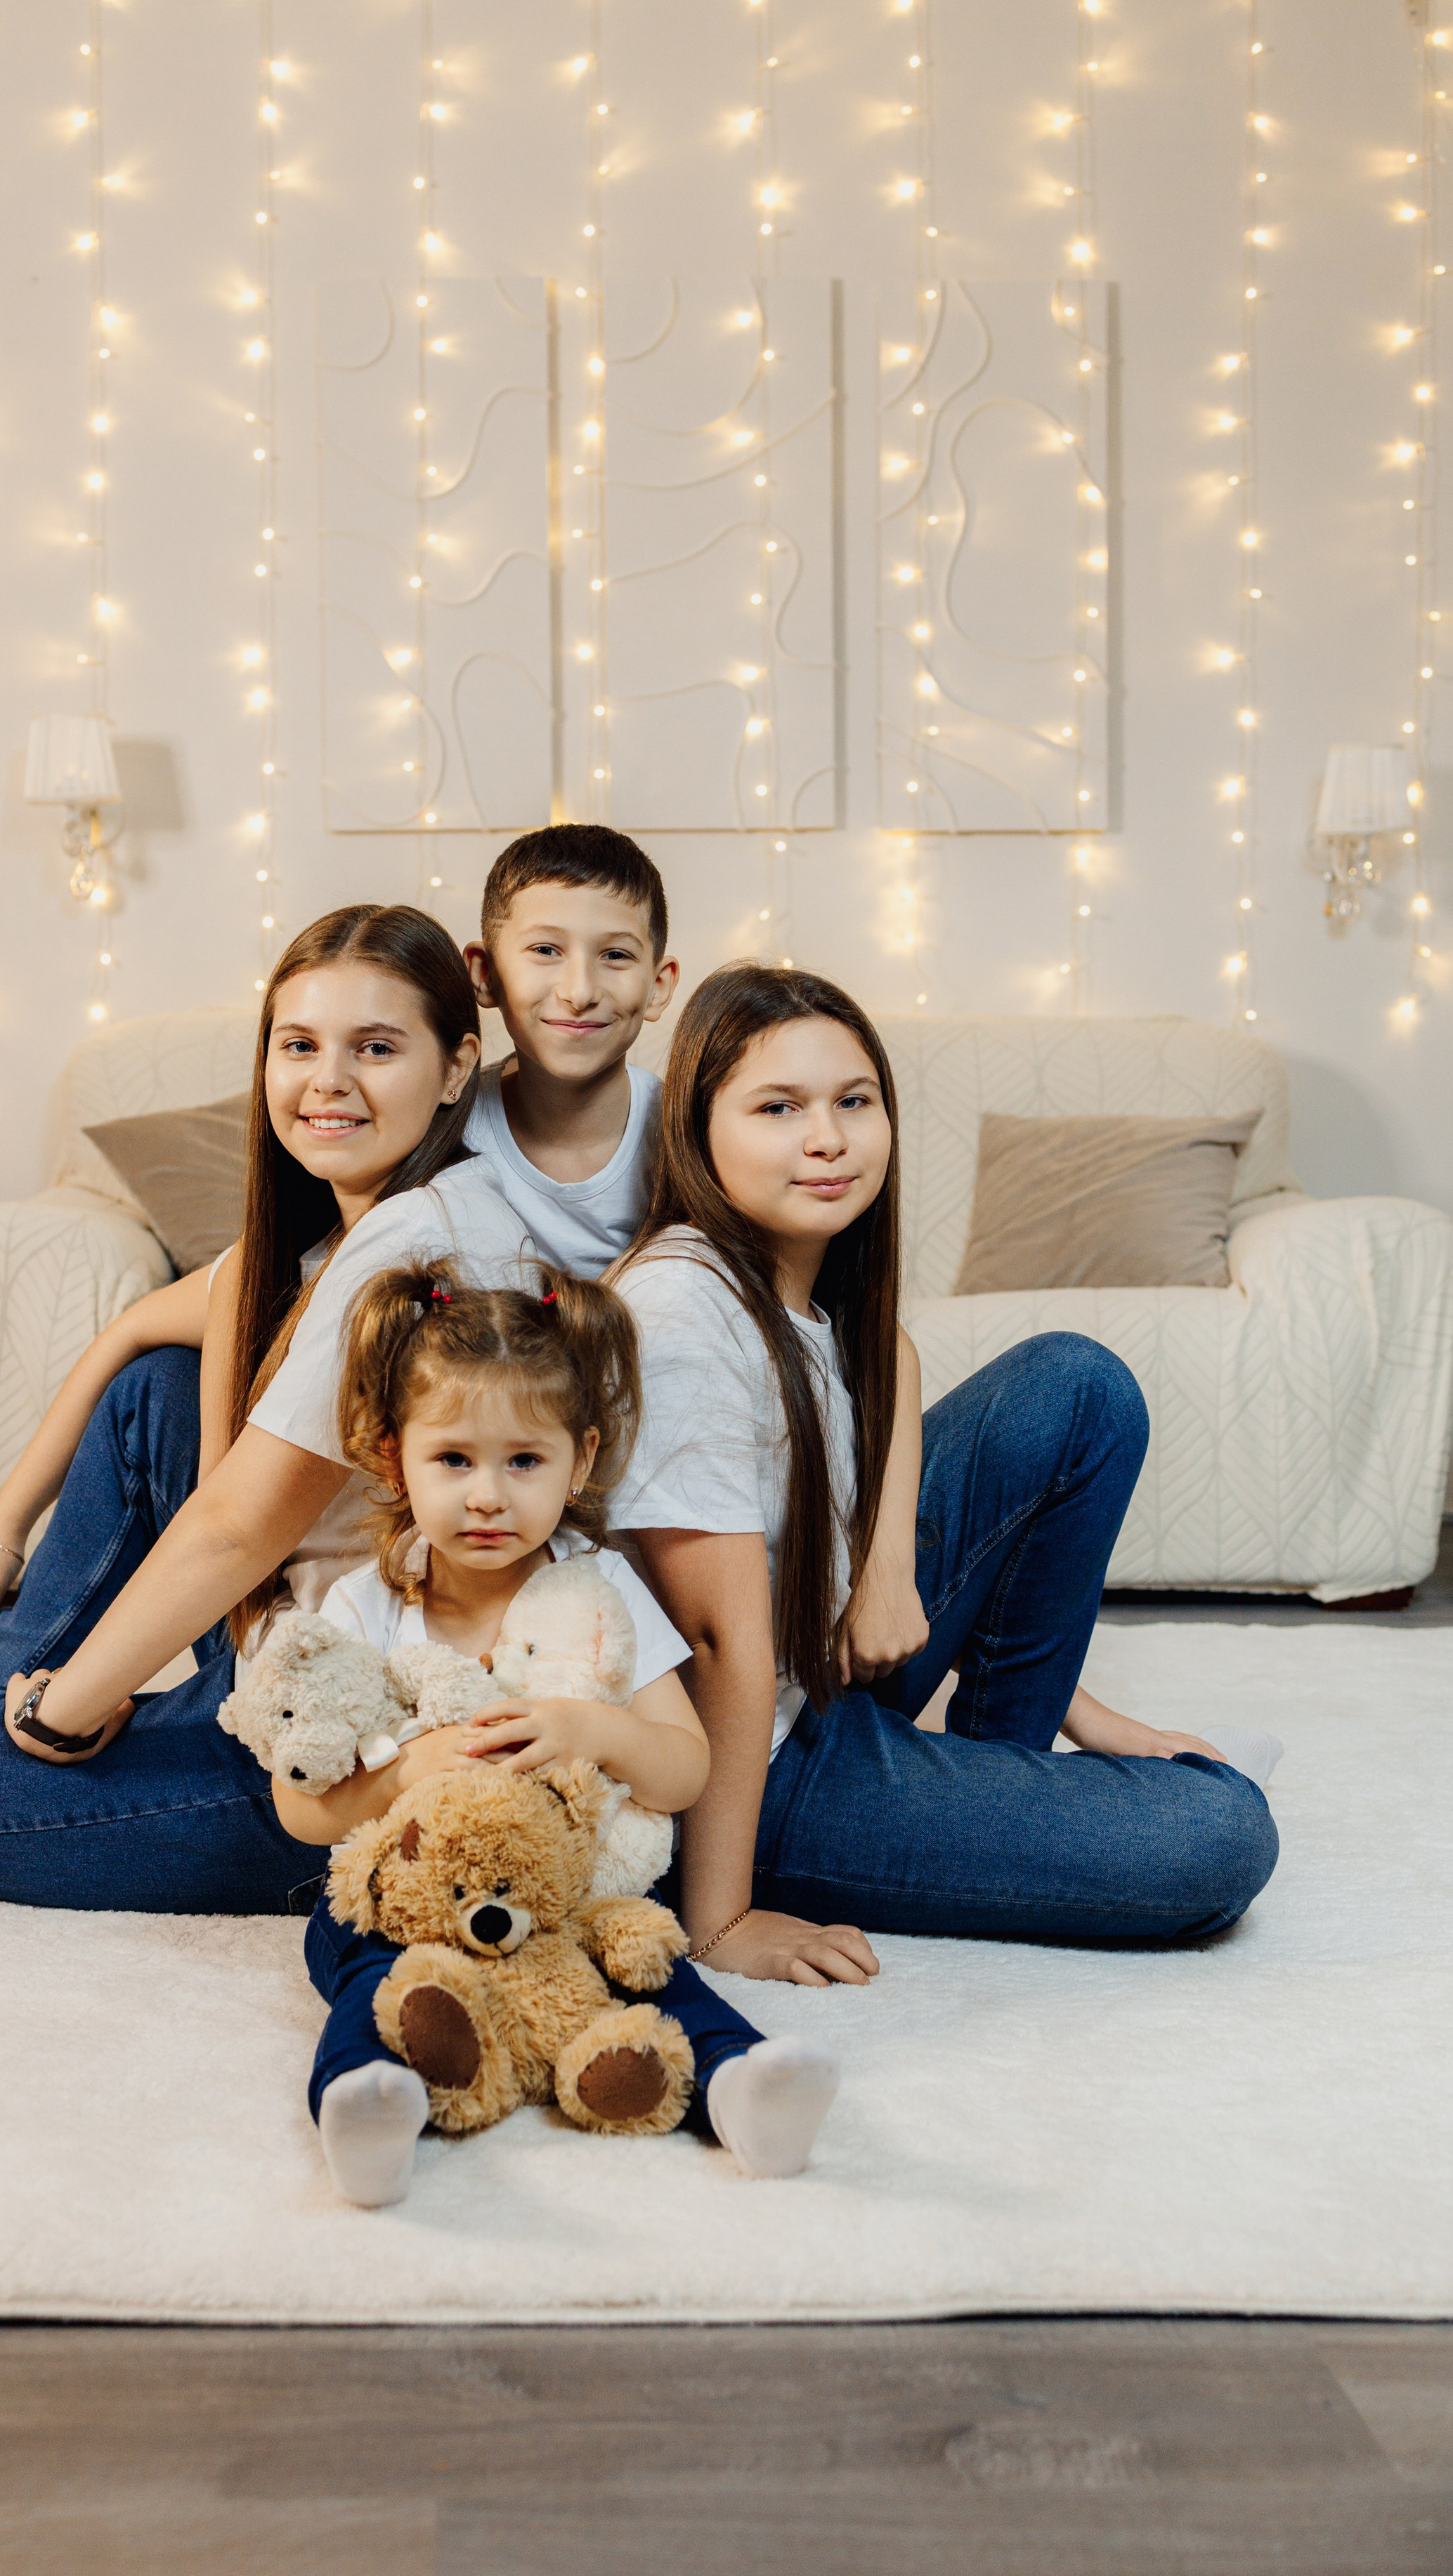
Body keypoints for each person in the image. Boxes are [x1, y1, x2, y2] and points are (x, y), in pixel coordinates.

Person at [0, 906, 547, 1913]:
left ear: (458, 1066)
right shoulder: (355, 1227)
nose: (328, 1080)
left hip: (350, 1740)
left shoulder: (412, 1249)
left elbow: (236, 1526)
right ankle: (23, 1716)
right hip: (284, 1636)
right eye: (299, 1046)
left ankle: (31, 1728)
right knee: (152, 1386)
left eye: (376, 1047)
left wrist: (62, 1715)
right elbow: (128, 1338)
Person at [608, 960, 1282, 1987]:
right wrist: (722, 1921)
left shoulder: (810, 1302)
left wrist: (894, 1576)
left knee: (1077, 1385)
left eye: (854, 1101)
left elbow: (893, 1358)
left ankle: (992, 1776)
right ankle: (960, 1821)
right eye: (778, 1107)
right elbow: (715, 1640)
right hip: (740, 1769)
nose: (828, 1137)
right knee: (1221, 1836)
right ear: (698, 1131)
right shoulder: (684, 1313)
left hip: (815, 1683)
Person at [280, 1262, 837, 2206]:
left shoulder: (601, 1593)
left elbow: (684, 1769)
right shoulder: (364, 1606)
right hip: (418, 1900)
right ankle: (371, 2106)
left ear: (579, 1462)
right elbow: (298, 1805)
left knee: (646, 1961)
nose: (489, 1496)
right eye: (453, 1459)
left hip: (565, 1901)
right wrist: (407, 1767)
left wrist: (591, 1728)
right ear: (392, 1456)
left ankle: (740, 2085)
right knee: (350, 1940)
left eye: (523, 1462)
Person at [462, 824, 678, 1277]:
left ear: (658, 988)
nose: (580, 993)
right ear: (485, 974)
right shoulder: (449, 1127)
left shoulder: (687, 1136)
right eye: (545, 949)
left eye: (616, 955)